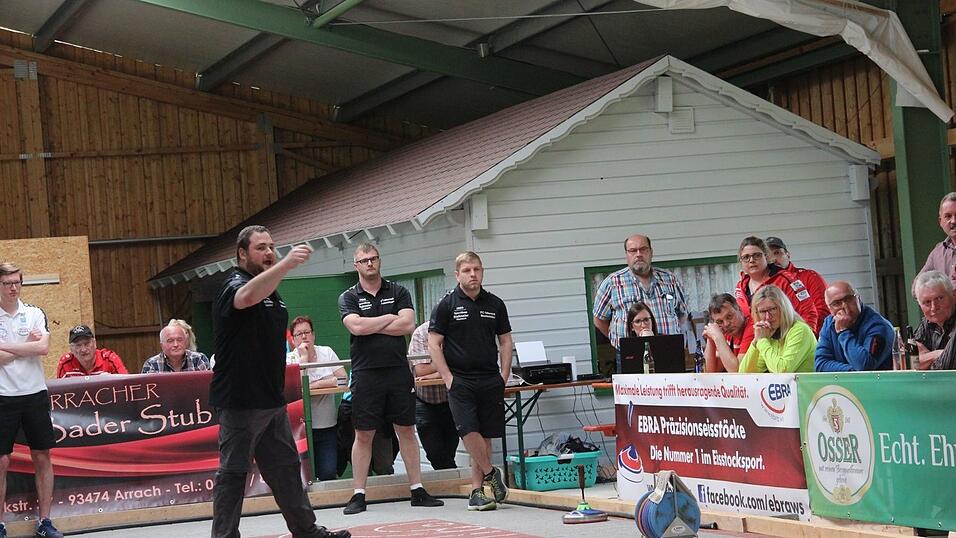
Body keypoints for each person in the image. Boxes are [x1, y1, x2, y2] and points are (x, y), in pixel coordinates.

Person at [209, 226, 349, 538]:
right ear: (242, 254)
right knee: (233, 474)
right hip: (240, 401)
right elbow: (245, 297)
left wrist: (278, 270)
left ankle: (306, 530)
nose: (269, 253)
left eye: (272, 246)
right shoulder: (234, 283)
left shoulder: (272, 291)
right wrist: (286, 264)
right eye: (261, 248)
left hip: (271, 400)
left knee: (286, 470)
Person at [338, 243, 443, 515]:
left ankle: (417, 489)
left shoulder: (399, 291)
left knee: (407, 430)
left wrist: (371, 323)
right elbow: (356, 327)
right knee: (363, 434)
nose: (369, 263)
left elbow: (408, 324)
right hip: (365, 373)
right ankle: (358, 494)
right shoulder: (348, 297)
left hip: (397, 371)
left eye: (373, 258)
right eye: (364, 260)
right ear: (356, 265)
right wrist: (388, 318)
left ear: (379, 261)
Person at [428, 251, 513, 511]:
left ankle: (478, 492)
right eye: (467, 270)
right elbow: (434, 343)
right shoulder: (447, 305)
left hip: (490, 378)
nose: (472, 274)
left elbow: (506, 340)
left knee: (486, 436)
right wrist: (447, 377)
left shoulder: (495, 304)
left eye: (476, 269)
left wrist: (504, 374)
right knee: (468, 431)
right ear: (457, 274)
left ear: (482, 271)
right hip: (460, 380)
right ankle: (491, 472)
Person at [0, 263, 63, 538]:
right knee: (2, 460)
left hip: (34, 394)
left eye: (17, 282)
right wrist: (28, 344)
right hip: (3, 396)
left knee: (42, 456)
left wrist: (13, 346)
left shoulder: (35, 313)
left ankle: (45, 521)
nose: (13, 287)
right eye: (7, 283)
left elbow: (44, 348)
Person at [593, 234, 687, 371]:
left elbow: (682, 315)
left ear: (651, 252)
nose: (638, 254)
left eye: (643, 249)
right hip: (630, 356)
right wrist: (621, 341)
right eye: (633, 250)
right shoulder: (612, 283)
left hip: (668, 353)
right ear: (626, 254)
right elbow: (599, 319)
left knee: (671, 392)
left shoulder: (670, 279)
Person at [286, 316, 347, 481]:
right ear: (293, 340)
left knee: (327, 472)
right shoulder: (289, 359)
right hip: (300, 429)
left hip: (327, 426)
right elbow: (294, 390)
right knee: (304, 475)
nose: (304, 337)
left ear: (313, 335)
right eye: (299, 334)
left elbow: (343, 379)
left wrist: (315, 385)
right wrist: (304, 360)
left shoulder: (326, 352)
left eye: (307, 332)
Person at [735, 236, 819, 335]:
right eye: (746, 257)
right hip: (755, 345)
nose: (751, 260)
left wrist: (804, 341)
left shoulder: (786, 280)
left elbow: (809, 312)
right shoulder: (740, 287)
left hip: (786, 343)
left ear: (766, 256)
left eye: (757, 255)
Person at [408, 321, 458, 471]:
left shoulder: (458, 328)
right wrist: (445, 363)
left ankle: (451, 484)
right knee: (434, 452)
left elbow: (464, 365)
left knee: (449, 450)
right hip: (424, 401)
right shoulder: (421, 333)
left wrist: (437, 371)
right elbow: (421, 371)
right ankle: (454, 481)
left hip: (452, 399)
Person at [814, 281, 894, 372]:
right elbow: (820, 364)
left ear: (858, 299)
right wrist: (852, 371)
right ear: (830, 309)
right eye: (837, 303)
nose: (845, 306)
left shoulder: (879, 326)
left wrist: (843, 331)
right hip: (841, 385)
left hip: (877, 385)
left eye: (848, 299)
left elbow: (864, 366)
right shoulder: (829, 323)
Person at [738, 285, 816, 373]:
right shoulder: (769, 333)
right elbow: (744, 373)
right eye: (762, 312)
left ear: (783, 308)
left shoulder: (800, 330)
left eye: (772, 309)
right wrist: (756, 341)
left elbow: (782, 370)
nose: (768, 317)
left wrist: (762, 340)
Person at [766, 236, 829, 333]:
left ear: (788, 255)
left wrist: (803, 336)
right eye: (768, 255)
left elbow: (822, 311)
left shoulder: (809, 276)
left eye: (777, 253)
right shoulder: (765, 286)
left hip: (809, 337)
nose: (773, 259)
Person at [911, 270, 956, 370]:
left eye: (939, 298)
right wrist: (937, 354)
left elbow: (946, 366)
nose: (934, 307)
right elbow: (911, 362)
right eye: (927, 302)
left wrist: (925, 359)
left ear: (953, 295)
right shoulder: (927, 323)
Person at [701, 293, 754, 373]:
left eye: (729, 316)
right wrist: (711, 339)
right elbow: (710, 371)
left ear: (739, 310)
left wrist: (718, 337)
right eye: (720, 321)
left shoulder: (752, 326)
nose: (726, 324)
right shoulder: (723, 331)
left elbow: (737, 371)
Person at [55, 324, 128, 378]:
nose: (83, 349)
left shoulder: (110, 359)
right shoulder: (65, 363)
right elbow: (58, 393)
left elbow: (127, 384)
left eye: (87, 344)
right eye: (78, 345)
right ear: (71, 349)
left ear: (94, 343)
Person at [142, 321, 211, 373]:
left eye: (179, 340)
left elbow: (206, 388)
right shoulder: (152, 364)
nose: (176, 344)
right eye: (170, 341)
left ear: (186, 342)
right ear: (162, 345)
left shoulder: (199, 359)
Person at [920, 192, 956, 285]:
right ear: (940, 221)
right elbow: (917, 286)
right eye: (948, 216)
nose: (953, 221)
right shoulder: (938, 252)